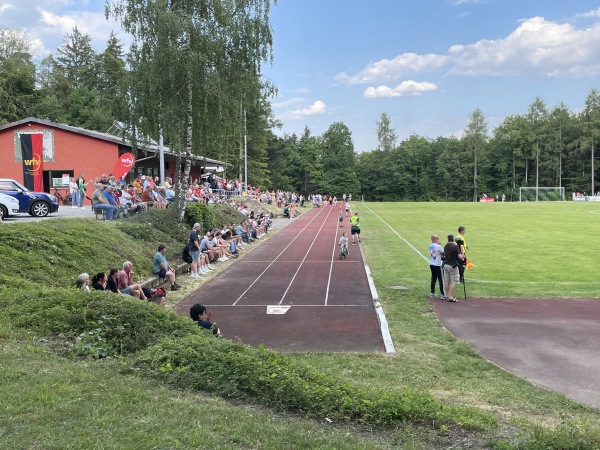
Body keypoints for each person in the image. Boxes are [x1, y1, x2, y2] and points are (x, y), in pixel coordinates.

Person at [442, 235, 464, 303]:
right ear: (453, 239)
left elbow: (444, 255)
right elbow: (460, 257)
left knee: (447, 281)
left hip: (446, 265)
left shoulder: (445, 246)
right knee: (454, 281)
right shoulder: (455, 246)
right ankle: (450, 297)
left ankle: (446, 295)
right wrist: (462, 255)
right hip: (453, 266)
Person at [428, 234, 446, 299]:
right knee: (441, 279)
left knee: (433, 278)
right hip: (438, 264)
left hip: (432, 263)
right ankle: (443, 294)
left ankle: (432, 292)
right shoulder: (438, 246)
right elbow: (443, 254)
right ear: (435, 239)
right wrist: (440, 245)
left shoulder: (430, 245)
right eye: (437, 239)